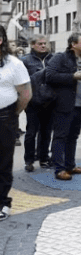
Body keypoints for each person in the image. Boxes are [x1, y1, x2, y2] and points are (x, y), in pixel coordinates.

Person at [47, 32, 81, 181]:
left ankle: (70, 165)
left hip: (80, 105)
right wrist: (72, 76)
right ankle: (59, 169)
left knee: (73, 137)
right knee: (60, 136)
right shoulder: (60, 58)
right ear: (73, 44)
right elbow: (49, 76)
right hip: (63, 104)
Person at [0, 25, 32, 221]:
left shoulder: (14, 64)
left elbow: (25, 94)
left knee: (3, 162)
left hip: (4, 118)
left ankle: (2, 202)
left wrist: (12, 114)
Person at [21, 36, 54, 172]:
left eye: (45, 43)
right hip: (33, 102)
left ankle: (44, 158)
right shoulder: (25, 60)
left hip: (50, 101)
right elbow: (22, 81)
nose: (43, 46)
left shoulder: (53, 59)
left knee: (46, 132)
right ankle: (29, 160)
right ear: (32, 45)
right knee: (31, 133)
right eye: (39, 44)